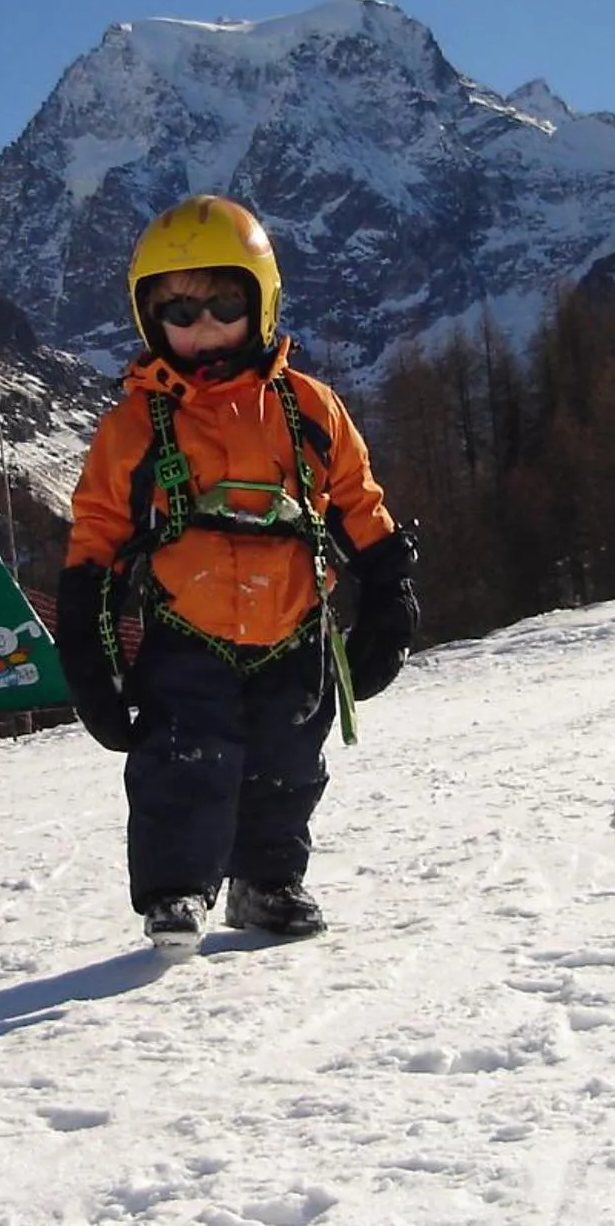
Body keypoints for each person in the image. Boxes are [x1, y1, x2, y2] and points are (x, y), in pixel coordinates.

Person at [55, 194, 418, 953]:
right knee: (182, 759)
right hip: (187, 634)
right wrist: (90, 648)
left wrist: (389, 588)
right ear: (150, 320)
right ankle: (177, 890)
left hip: (295, 630)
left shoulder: (309, 407)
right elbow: (100, 535)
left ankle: (267, 882)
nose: (204, 327)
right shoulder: (135, 427)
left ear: (261, 302)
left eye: (224, 304)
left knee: (289, 763)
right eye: (180, 312)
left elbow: (356, 501)